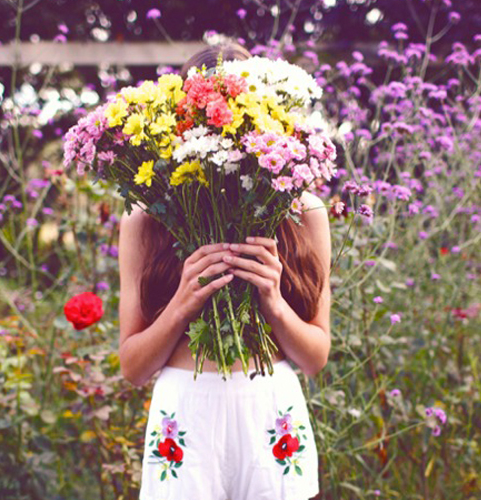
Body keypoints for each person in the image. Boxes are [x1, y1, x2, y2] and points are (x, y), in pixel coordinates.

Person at [117, 42, 332, 500]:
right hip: (185, 411)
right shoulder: (144, 218)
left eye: (239, 116)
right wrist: (180, 305)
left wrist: (273, 301)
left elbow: (315, 357)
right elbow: (133, 367)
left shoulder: (304, 210)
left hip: (269, 406)